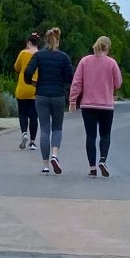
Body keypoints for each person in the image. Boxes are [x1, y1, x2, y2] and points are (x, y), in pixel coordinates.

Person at [69, 35, 124, 177]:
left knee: (90, 136)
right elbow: (118, 83)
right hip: (106, 105)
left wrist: (73, 100)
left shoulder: (85, 61)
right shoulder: (111, 63)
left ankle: (92, 167)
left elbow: (77, 82)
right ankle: (103, 160)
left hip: (88, 105)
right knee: (105, 135)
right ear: (108, 47)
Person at [23, 26, 75, 174]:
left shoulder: (39, 56)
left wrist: (32, 82)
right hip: (58, 95)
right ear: (57, 40)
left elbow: (27, 72)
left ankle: (46, 165)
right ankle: (55, 155)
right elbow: (70, 77)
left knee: (44, 129)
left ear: (45, 40)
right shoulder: (64, 57)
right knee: (57, 128)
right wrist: (62, 84)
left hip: (41, 95)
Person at [13, 30, 42, 150]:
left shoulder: (23, 53)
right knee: (34, 116)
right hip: (35, 88)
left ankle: (24, 133)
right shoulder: (40, 55)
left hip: (23, 87)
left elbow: (16, 67)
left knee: (22, 113)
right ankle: (33, 141)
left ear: (29, 42)